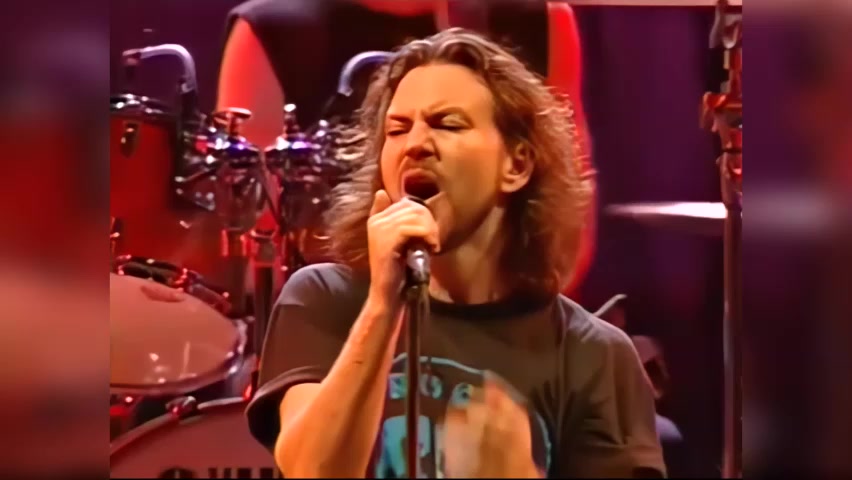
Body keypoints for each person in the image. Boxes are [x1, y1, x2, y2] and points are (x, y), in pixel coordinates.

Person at [244, 28, 665, 478]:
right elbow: (312, 471)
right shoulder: (324, 300)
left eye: (448, 124)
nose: (415, 145)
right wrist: (383, 305)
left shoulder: (593, 355)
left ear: (517, 165)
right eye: (397, 129)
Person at [216, 0, 596, 296]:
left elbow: (566, 215)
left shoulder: (537, 19)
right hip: (342, 321)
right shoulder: (276, 29)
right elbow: (255, 240)